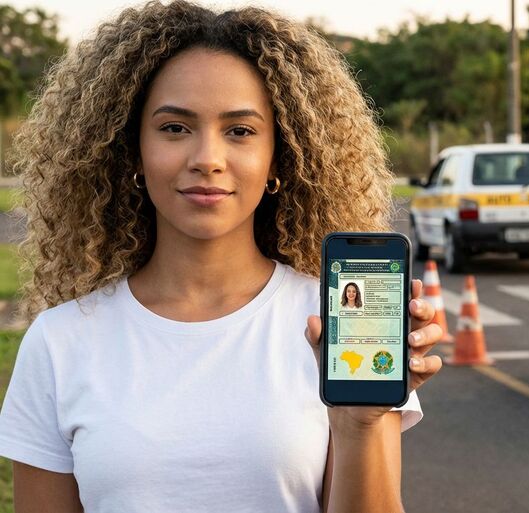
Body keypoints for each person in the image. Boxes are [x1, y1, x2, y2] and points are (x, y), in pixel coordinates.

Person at [0, 2, 443, 512]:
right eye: (174, 128)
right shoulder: (60, 342)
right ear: (133, 151)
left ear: (279, 156)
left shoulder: (338, 330)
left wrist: (359, 422)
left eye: (240, 131)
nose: (207, 158)